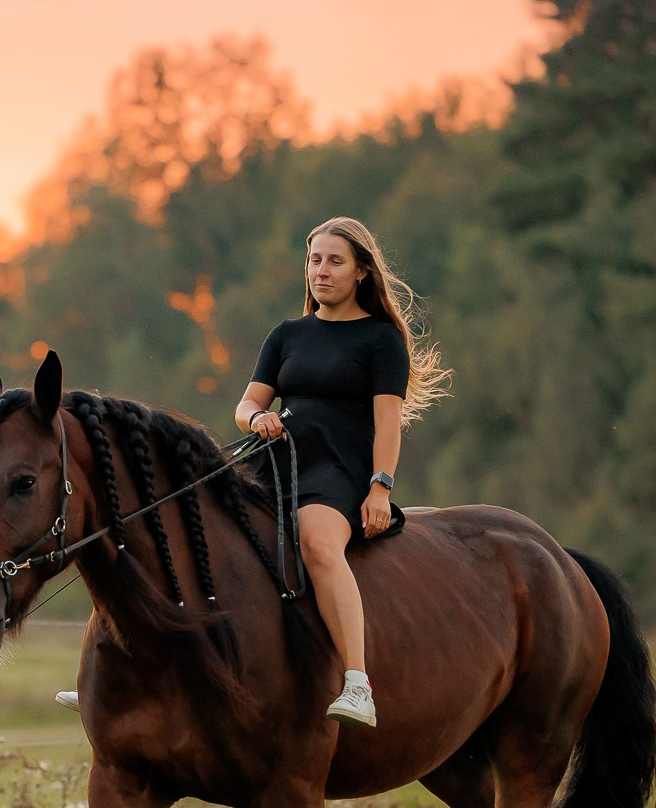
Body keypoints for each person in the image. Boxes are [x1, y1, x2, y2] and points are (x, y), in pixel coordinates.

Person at [55, 216, 448, 726]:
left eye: (335, 261)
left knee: (318, 544)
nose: (321, 271)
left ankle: (357, 682)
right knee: (175, 533)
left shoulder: (380, 339)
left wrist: (380, 486)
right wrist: (258, 418)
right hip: (274, 461)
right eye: (314, 260)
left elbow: (388, 422)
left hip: (340, 469)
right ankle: (112, 678)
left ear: (360, 272)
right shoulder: (287, 335)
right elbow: (246, 405)